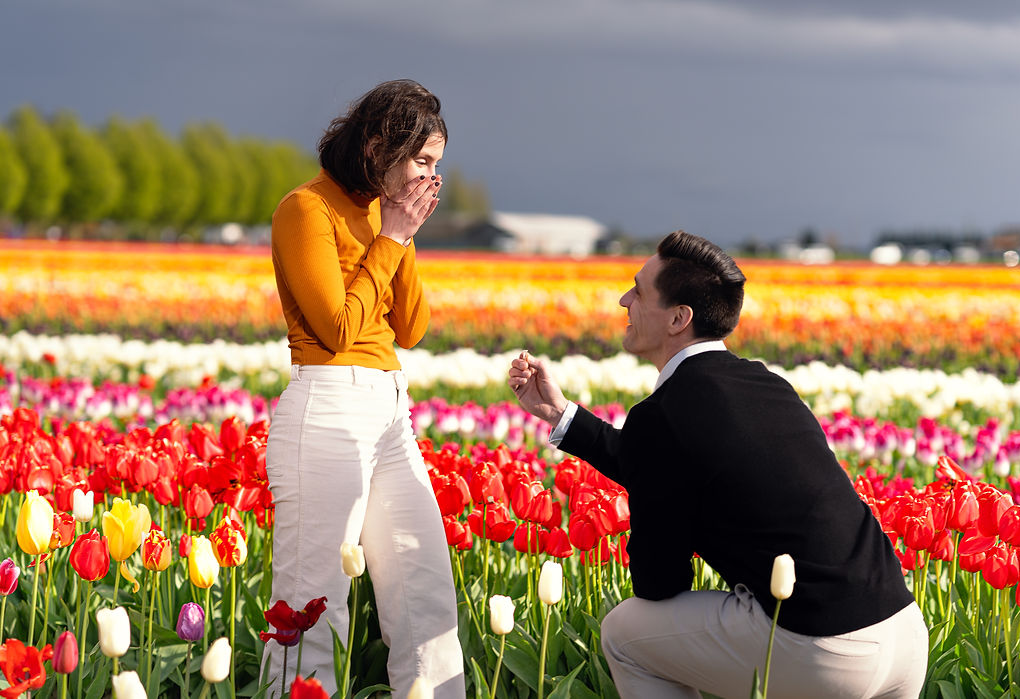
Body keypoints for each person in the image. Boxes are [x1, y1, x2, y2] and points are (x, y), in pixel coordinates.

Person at [507, 230, 928, 699]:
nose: (624, 300)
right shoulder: (765, 384)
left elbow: (659, 582)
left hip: (822, 648)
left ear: (678, 319)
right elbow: (668, 459)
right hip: (903, 632)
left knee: (625, 632)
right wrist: (562, 416)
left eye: (639, 291)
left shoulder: (663, 415)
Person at [262, 79, 464, 698]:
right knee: (311, 604)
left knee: (425, 591)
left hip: (388, 409)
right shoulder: (307, 209)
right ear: (381, 147)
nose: (431, 179)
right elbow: (338, 327)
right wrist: (393, 238)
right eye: (422, 161)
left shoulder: (382, 216)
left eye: (438, 165)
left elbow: (413, 326)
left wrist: (399, 236)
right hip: (327, 404)